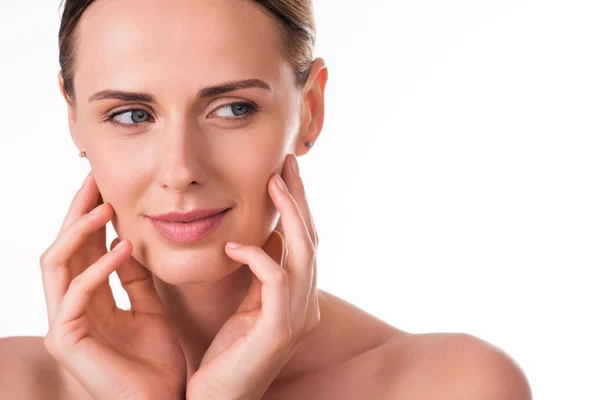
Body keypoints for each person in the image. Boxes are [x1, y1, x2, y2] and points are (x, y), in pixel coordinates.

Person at [0, 0, 533, 399]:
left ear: (310, 111)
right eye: (132, 115)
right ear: (75, 121)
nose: (182, 170)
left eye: (233, 109)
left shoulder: (451, 386)